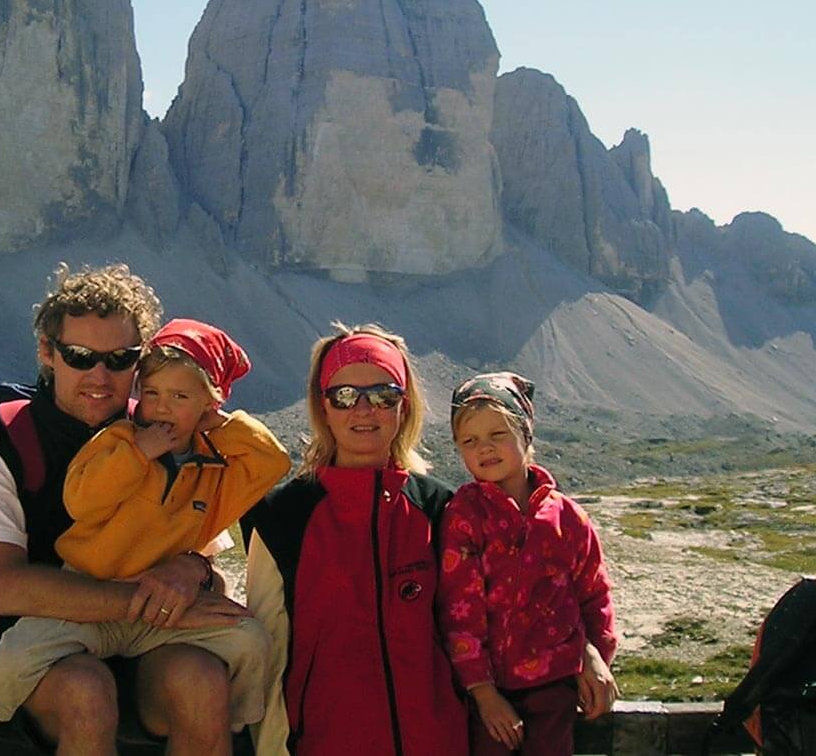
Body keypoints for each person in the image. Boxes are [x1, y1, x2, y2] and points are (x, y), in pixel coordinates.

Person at [0, 264, 253, 756]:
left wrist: (191, 569)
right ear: (48, 352)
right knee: (87, 694)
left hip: (143, 641)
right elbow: (6, 587)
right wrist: (143, 604)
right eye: (80, 357)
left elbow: (204, 554)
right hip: (28, 643)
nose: (100, 378)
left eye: (120, 358)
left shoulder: (165, 432)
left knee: (202, 683)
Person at [241, 324, 469, 756]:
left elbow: (478, 627)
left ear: (404, 406)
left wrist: (584, 649)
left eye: (384, 395)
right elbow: (266, 655)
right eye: (345, 396)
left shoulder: (441, 509)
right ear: (322, 406)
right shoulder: (281, 517)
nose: (364, 410)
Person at [437, 372, 619, 756]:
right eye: (469, 441)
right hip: (486, 696)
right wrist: (483, 693)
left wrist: (596, 661)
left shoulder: (567, 517)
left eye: (498, 434)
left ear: (525, 434)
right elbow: (459, 612)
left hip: (555, 688)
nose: (484, 448)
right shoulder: (464, 517)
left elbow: (594, 595)